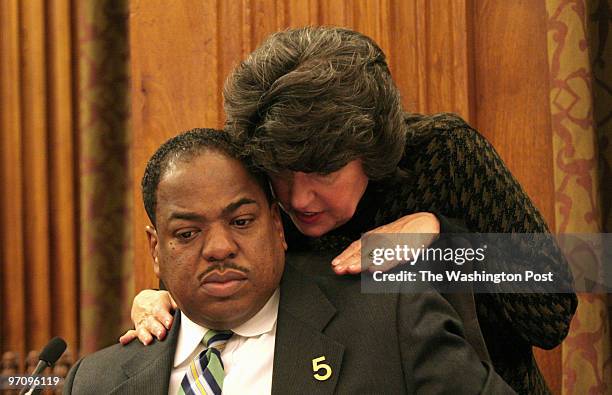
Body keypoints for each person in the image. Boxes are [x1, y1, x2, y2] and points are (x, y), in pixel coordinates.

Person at [122, 27, 577, 394]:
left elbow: (551, 311)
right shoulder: (261, 176)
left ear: (372, 153)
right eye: (285, 172)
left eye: (323, 173)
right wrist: (168, 304)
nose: (299, 199)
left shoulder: (445, 153)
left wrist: (444, 240)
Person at [64, 129, 516, 394]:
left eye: (241, 222)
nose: (219, 247)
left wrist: (448, 240)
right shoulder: (94, 381)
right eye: (187, 233)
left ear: (278, 229)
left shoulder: (392, 321)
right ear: (155, 250)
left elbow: (564, 285)